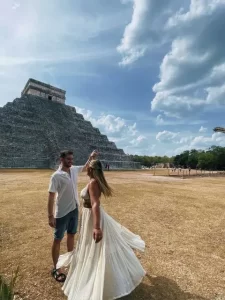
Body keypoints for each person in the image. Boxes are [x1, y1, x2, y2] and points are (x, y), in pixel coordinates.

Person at [57, 159, 146, 300]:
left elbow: (95, 204)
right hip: (89, 217)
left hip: (93, 218)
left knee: (98, 248)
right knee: (95, 248)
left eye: (88, 168)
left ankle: (103, 280)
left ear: (91, 170)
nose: (86, 169)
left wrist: (97, 227)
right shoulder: (93, 181)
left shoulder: (93, 183)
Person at [48, 149, 98, 282]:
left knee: (71, 235)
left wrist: (91, 157)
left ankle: (70, 261)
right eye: (68, 159)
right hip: (62, 212)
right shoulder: (56, 176)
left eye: (71, 159)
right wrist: (50, 216)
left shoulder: (74, 170)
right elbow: (51, 196)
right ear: (61, 160)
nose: (71, 161)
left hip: (74, 209)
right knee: (57, 239)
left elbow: (86, 166)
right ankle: (56, 267)